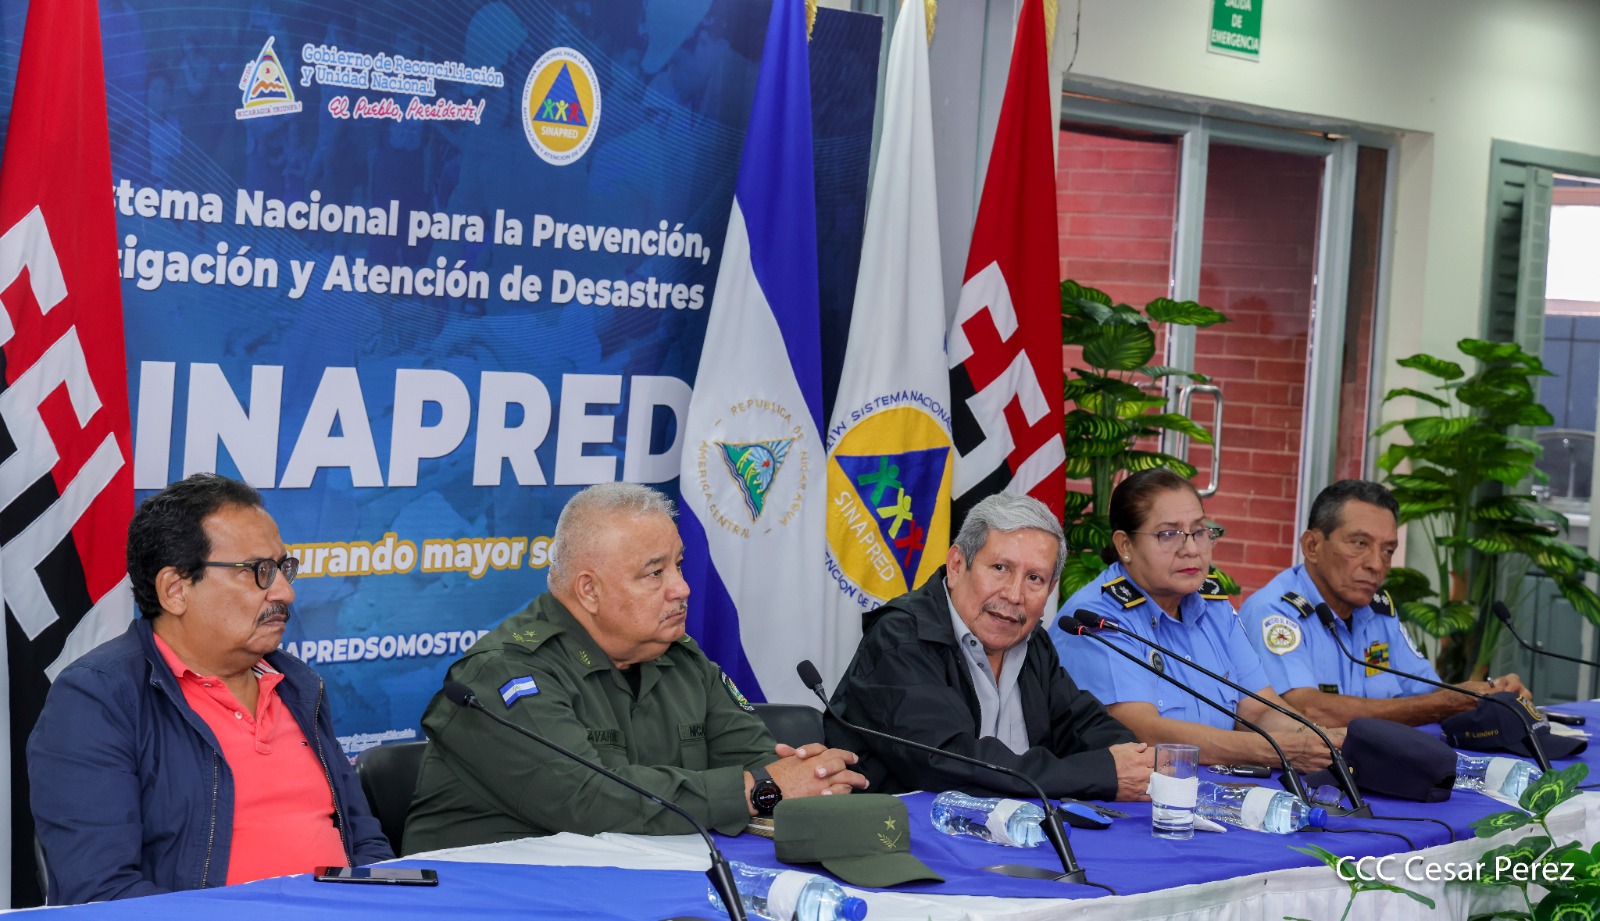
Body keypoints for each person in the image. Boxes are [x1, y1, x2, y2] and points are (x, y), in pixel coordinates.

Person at [403, 483, 866, 851]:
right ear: (589, 590)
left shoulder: (682, 660)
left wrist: (811, 779)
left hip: (633, 885)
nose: (682, 589)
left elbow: (759, 766)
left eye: (679, 567)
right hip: (493, 898)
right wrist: (756, 791)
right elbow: (586, 800)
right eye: (655, 573)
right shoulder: (502, 673)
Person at [28, 474, 391, 904]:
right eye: (259, 571)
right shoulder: (98, 699)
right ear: (175, 590)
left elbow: (365, 843)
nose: (286, 592)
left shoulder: (298, 686)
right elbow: (100, 891)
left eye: (282, 568)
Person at [826, 492, 1151, 802]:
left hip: (1010, 836)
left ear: (1051, 590)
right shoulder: (902, 639)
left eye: (1034, 579)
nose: (1014, 594)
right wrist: (1099, 773)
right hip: (905, 841)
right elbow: (951, 763)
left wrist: (1134, 763)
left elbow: (1083, 726)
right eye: (1000, 568)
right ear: (956, 565)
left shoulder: (1031, 642)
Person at [1050, 468, 1342, 771]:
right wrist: (1277, 750)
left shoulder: (1212, 606)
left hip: (1218, 794)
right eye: (1168, 534)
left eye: (1199, 531)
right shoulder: (1096, 618)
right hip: (1135, 802)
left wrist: (1319, 739)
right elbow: (1144, 733)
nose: (1191, 550)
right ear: (1125, 545)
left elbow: (1258, 710)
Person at [1239, 479, 1527, 728]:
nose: (1377, 564)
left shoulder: (1377, 611)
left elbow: (1427, 692)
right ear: (1312, 546)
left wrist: (1487, 694)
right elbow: (1306, 711)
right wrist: (1445, 703)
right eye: (1360, 544)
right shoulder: (1275, 611)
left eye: (1388, 550)